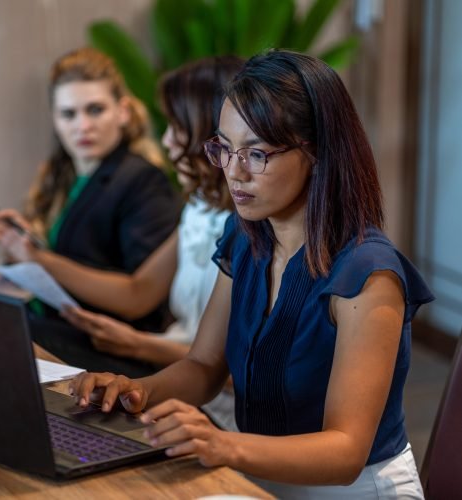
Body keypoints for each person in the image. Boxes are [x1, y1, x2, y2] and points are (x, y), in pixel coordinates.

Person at [69, 50, 434, 498]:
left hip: (354, 489)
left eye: (257, 154)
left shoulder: (368, 273)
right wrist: (133, 390)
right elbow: (203, 367)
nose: (234, 173)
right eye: (224, 148)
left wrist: (222, 443)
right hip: (258, 476)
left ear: (316, 153)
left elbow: (346, 452)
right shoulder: (245, 235)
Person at [43, 56, 242, 429]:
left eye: (176, 127)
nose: (166, 141)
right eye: (68, 114)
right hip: (178, 379)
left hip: (217, 408)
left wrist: (136, 344)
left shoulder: (252, 229)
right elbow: (142, 289)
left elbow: (226, 370)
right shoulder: (199, 207)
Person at [0, 48, 181, 374]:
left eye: (95, 110)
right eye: (68, 114)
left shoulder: (142, 181)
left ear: (123, 112)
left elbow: (138, 299)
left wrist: (40, 259)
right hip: (58, 332)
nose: (82, 126)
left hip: (110, 351)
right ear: (55, 120)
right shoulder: (68, 177)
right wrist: (26, 245)